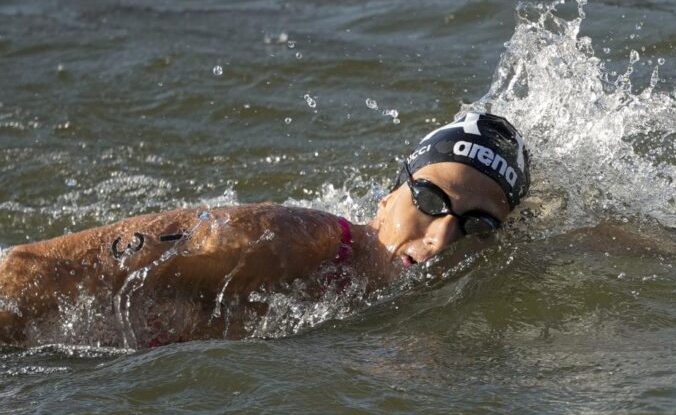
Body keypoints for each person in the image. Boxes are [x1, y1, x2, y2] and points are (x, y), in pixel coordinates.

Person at [0, 112, 531, 348]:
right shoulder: (286, 241)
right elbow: (27, 269)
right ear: (388, 194)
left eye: (476, 227)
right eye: (431, 201)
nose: (441, 240)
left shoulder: (401, 302)